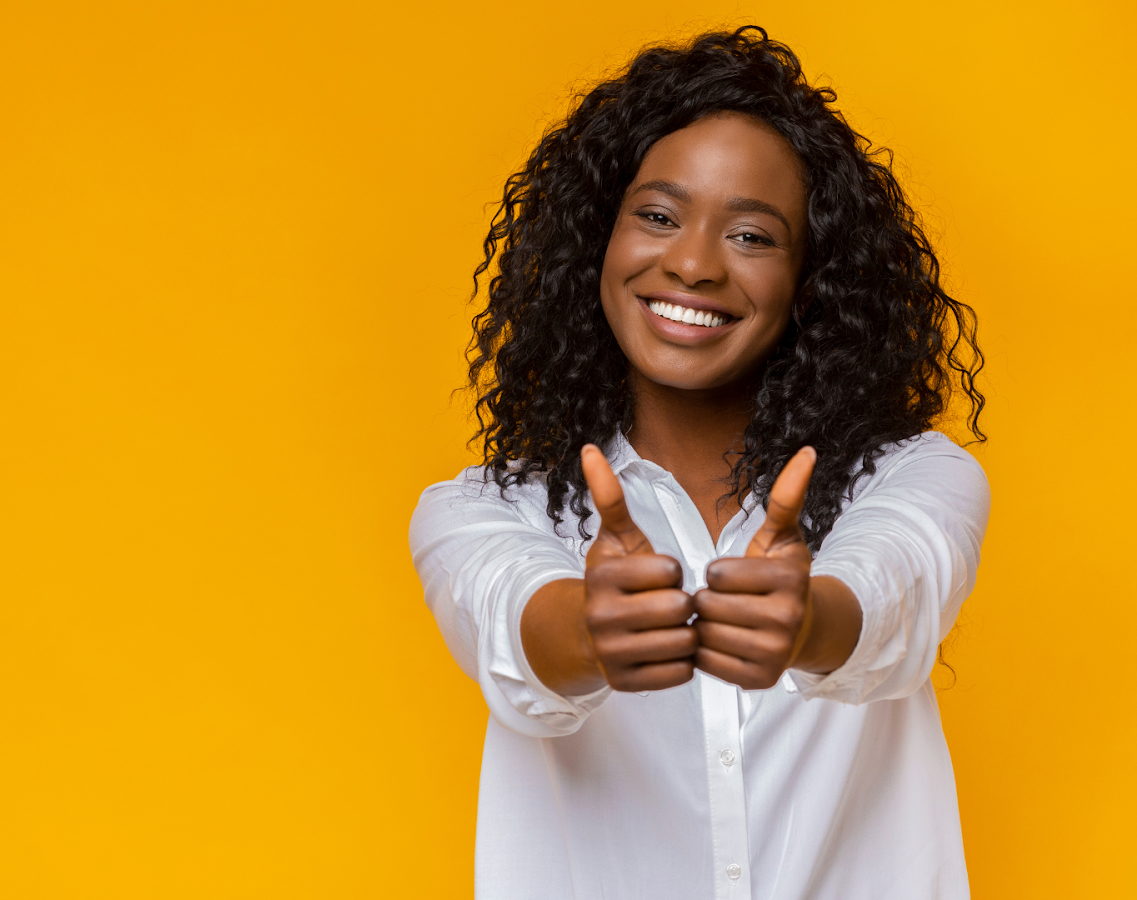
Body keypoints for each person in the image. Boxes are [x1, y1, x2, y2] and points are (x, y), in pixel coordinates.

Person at [410, 26, 989, 900]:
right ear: (595, 243)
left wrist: (809, 624)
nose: (691, 263)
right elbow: (509, 618)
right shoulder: (479, 512)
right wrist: (587, 629)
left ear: (813, 279)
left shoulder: (914, 476)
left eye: (752, 235)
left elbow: (896, 580)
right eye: (657, 216)